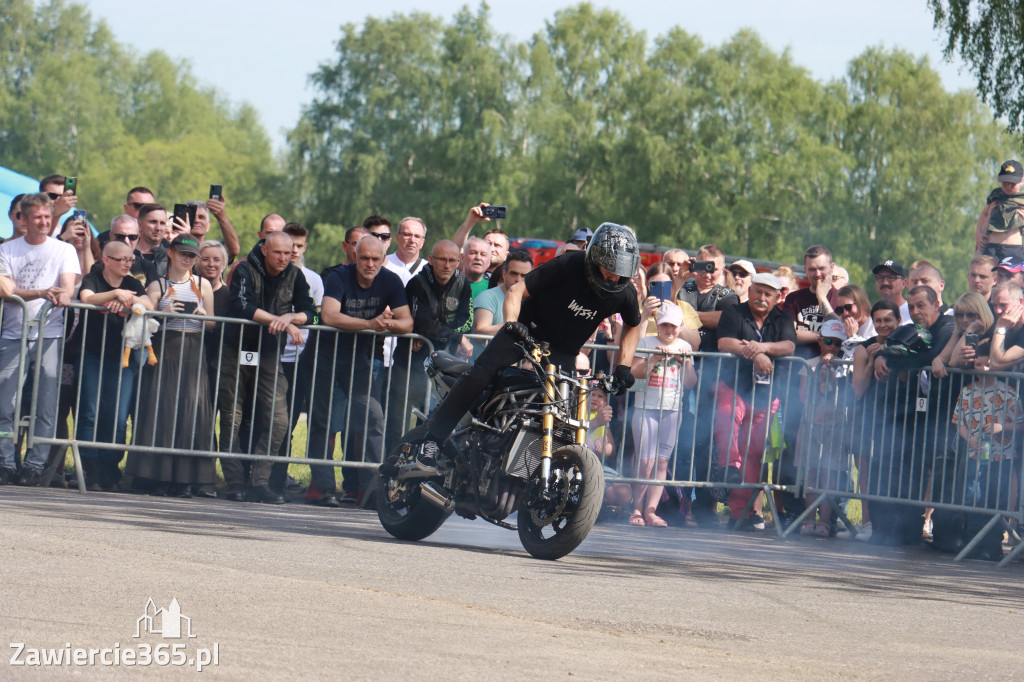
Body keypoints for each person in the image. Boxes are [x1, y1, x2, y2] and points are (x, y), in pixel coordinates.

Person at [414, 223, 646, 473]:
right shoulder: (568, 266)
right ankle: (432, 441)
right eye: (609, 270)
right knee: (479, 376)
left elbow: (633, 324)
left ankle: (530, 474)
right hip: (525, 333)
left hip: (563, 351)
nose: (614, 277)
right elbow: (515, 292)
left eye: (620, 272)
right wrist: (513, 325)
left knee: (562, 417)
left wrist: (623, 366)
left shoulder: (625, 292)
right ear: (594, 260)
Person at [304, 235, 412, 507]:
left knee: (372, 420)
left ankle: (372, 490)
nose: (370, 263)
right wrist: (370, 323)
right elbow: (329, 315)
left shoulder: (390, 280)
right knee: (324, 423)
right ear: (355, 255)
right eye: (364, 258)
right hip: (327, 355)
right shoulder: (338, 277)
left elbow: (407, 323)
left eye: (376, 259)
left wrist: (385, 324)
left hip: (362, 358)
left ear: (383, 259)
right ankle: (323, 488)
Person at [218, 231, 315, 504]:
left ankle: (260, 481)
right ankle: (234, 480)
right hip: (235, 350)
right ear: (264, 250)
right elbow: (241, 305)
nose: (284, 258)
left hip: (270, 353)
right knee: (232, 418)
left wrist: (290, 317)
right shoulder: (245, 269)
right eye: (278, 253)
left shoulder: (296, 275)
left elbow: (312, 310)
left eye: (288, 252)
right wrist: (279, 320)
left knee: (279, 419)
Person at [127, 234, 216, 497]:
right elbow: (148, 316)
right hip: (165, 349)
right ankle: (155, 476)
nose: (189, 260)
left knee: (193, 412)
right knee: (161, 410)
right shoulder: (158, 285)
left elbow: (212, 323)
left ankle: (187, 479)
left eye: (193, 256)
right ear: (172, 253)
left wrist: (202, 315)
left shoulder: (203, 285)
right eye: (185, 254)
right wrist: (167, 314)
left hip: (194, 350)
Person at [0, 193, 79, 485]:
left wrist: (62, 293)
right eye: (38, 217)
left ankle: (35, 464)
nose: (44, 222)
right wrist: (42, 293)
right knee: (5, 403)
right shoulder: (8, 249)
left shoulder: (63, 250)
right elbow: (6, 290)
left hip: (51, 334)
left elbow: (67, 286)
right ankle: (5, 462)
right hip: (13, 334)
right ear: (23, 218)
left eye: (48, 217)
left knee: (46, 404)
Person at [868, 286, 954, 546]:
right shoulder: (918, 329)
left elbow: (927, 356)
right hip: (917, 416)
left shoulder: (948, 327)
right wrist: (883, 355)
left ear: (935, 304)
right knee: (905, 471)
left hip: (946, 416)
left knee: (939, 474)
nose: (915, 312)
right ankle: (893, 531)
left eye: (921, 306)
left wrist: (894, 360)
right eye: (912, 307)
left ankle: (943, 537)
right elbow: (896, 345)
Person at [714, 273, 797, 527]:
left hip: (767, 395)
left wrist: (762, 349)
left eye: (768, 294)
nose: (762, 298)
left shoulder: (783, 318)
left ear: (776, 298)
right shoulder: (733, 313)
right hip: (735, 386)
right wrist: (754, 355)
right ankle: (726, 469)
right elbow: (724, 342)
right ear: (749, 291)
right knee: (728, 420)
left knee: (753, 454)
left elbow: (789, 346)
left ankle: (743, 514)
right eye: (758, 292)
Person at [76, 241, 152, 490]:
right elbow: (86, 297)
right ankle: (89, 466)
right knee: (90, 411)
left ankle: (110, 465)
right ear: (107, 259)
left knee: (118, 417)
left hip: (123, 358)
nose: (128, 264)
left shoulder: (132, 283)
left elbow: (149, 304)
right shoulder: (94, 277)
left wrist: (127, 297)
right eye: (122, 260)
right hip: (92, 353)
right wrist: (113, 294)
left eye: (130, 260)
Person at [385, 239, 472, 451]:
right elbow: (422, 323)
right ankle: (391, 464)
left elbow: (467, 322)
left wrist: (449, 335)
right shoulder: (417, 283)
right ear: (431, 260)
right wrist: (455, 337)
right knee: (399, 421)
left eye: (452, 260)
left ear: (459, 261)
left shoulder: (463, 283)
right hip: (410, 363)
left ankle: (424, 471)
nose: (447, 265)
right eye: (442, 259)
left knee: (433, 421)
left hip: (445, 366)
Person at [627, 302, 696, 528]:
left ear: (681, 326)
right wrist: (655, 358)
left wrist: (686, 362)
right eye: (665, 325)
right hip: (646, 407)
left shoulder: (685, 345)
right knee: (645, 462)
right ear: (657, 324)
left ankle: (651, 511)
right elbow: (634, 373)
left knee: (661, 463)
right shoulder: (646, 342)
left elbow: (690, 383)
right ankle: (636, 508)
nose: (669, 330)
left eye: (673, 326)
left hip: (673, 410)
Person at [950, 365, 1021, 560]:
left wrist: (1001, 427)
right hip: (976, 456)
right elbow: (959, 422)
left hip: (1002, 457)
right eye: (978, 365)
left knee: (996, 498)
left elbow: (1020, 422)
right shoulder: (966, 391)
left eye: (987, 364)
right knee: (974, 496)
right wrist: (969, 439)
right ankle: (972, 544)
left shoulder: (1008, 392)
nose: (983, 369)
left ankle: (993, 546)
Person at [848, 299, 903, 541]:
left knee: (896, 471)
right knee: (867, 472)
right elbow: (858, 389)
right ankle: (868, 522)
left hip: (898, 417)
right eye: (878, 320)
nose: (882, 325)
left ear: (898, 321)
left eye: (887, 320)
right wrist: (871, 362)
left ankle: (897, 524)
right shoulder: (864, 348)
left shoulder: (907, 343)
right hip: (869, 415)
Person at [797, 319, 855, 537]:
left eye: (838, 343)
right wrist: (819, 377)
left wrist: (832, 379)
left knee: (829, 474)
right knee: (810, 473)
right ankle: (809, 519)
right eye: (828, 341)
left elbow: (847, 398)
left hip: (835, 426)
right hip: (811, 424)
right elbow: (803, 398)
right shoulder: (809, 365)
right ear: (820, 341)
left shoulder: (846, 366)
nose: (832, 346)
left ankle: (824, 521)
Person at [783, 245, 837, 358]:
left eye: (821, 268)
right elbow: (789, 335)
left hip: (827, 367)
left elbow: (837, 331)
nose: (817, 274)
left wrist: (821, 296)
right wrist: (824, 335)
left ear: (831, 268)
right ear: (805, 270)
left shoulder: (841, 297)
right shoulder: (793, 299)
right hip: (796, 367)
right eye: (812, 269)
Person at [975, 159, 1024, 260]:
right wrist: (978, 234)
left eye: (1012, 183)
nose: (1008, 186)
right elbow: (984, 214)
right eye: (1005, 183)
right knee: (986, 273)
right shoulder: (996, 194)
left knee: (1012, 275)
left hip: (1013, 248)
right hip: (991, 246)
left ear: (1022, 181)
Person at [385, 217, 428, 282]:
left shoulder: (428, 271)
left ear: (422, 242)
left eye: (417, 236)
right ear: (397, 237)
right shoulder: (383, 265)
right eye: (407, 235)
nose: (412, 240)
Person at [873, 258, 911, 324]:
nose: (885, 282)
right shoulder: (873, 314)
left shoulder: (912, 312)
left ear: (904, 283)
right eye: (880, 278)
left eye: (891, 278)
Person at [136, 204, 169, 277]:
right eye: (153, 222)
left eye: (162, 223)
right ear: (140, 225)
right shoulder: (127, 255)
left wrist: (186, 239)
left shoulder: (172, 256)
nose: (158, 228)